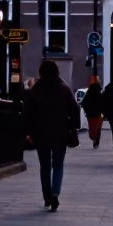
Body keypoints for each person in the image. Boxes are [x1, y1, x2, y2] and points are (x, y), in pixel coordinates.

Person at [24, 60, 80, 211]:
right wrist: (74, 127)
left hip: (41, 133)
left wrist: (29, 132)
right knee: (58, 165)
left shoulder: (35, 90)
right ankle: (55, 192)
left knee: (45, 166)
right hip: (60, 132)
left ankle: (47, 196)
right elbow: (75, 109)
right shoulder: (63, 89)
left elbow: (28, 113)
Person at [82, 74, 105, 148]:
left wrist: (86, 111)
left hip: (90, 114)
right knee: (98, 128)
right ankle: (96, 140)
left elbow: (84, 103)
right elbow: (103, 103)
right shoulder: (99, 94)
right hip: (98, 113)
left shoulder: (88, 94)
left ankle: (93, 137)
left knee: (92, 127)